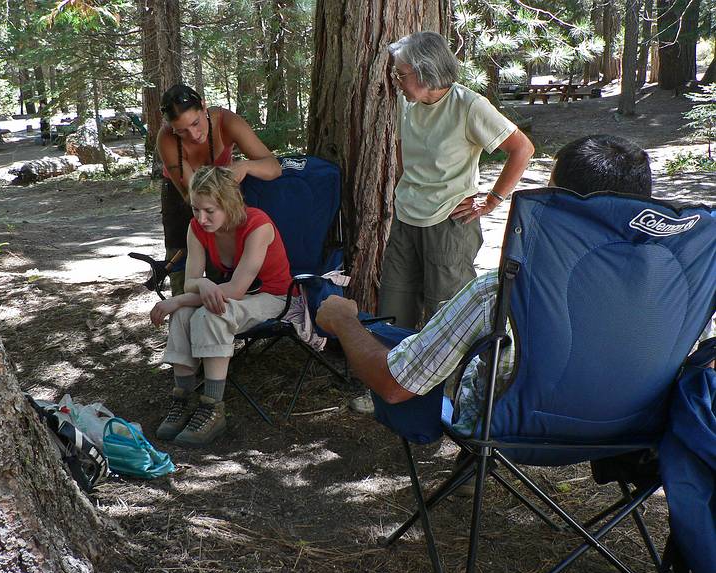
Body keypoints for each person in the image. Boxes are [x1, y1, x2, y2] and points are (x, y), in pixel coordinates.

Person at [317, 135, 673, 435]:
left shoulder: (504, 290)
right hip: (632, 430)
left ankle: (472, 465)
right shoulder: (678, 287)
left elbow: (397, 386)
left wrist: (344, 320)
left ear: (560, 208)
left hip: (514, 429)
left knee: (433, 358)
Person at [379, 31, 534, 331]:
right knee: (394, 310)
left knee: (447, 318)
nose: (396, 81)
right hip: (406, 220)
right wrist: (409, 189)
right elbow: (403, 150)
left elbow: (522, 149)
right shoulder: (407, 103)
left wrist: (493, 200)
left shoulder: (468, 106)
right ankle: (396, 375)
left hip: (449, 225)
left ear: (426, 72)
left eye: (401, 74)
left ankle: (453, 380)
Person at [149, 166, 293, 447]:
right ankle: (182, 399)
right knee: (183, 313)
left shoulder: (257, 225)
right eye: (195, 209)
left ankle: (212, 408)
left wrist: (179, 297)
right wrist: (200, 285)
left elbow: (236, 290)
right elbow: (192, 280)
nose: (201, 218)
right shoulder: (197, 228)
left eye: (210, 210)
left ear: (229, 203)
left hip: (272, 296)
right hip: (231, 294)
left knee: (213, 314)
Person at [158, 84, 282, 295]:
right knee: (182, 267)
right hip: (185, 198)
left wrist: (246, 166)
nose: (194, 135)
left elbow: (274, 167)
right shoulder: (167, 139)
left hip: (220, 197)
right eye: (182, 131)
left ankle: (221, 315)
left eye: (196, 123)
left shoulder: (227, 122)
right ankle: (182, 309)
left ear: (204, 107)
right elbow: (192, 195)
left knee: (223, 271)